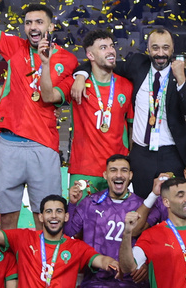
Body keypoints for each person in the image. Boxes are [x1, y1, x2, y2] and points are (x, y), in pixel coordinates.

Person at [0, 0, 78, 230]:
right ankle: (10, 271)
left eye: (39, 22)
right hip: (9, 145)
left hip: (44, 146)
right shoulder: (14, 47)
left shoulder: (67, 60)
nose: (32, 27)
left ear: (50, 27)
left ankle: (42, 269)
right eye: (28, 22)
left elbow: (48, 96)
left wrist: (44, 63)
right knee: (7, 219)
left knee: (47, 220)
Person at [71, 27, 186, 198]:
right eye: (155, 48)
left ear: (172, 48)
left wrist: (181, 79)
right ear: (147, 49)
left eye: (165, 48)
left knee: (172, 206)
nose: (160, 53)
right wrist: (81, 75)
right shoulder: (137, 65)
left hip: (172, 154)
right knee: (142, 206)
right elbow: (102, 62)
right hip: (141, 156)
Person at [64, 155, 163, 288]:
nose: (119, 175)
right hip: (95, 284)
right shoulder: (89, 204)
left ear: (130, 176)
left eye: (124, 171)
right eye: (114, 170)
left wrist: (147, 265)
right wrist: (71, 205)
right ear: (105, 175)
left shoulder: (142, 206)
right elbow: (68, 234)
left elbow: (163, 239)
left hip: (128, 285)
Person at [42, 30, 133, 195]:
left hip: (117, 171)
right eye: (103, 47)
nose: (111, 51)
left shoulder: (127, 86)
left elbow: (132, 128)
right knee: (79, 220)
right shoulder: (76, 84)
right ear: (90, 55)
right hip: (84, 169)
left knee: (117, 220)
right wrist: (45, 65)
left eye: (111, 46)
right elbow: (48, 97)